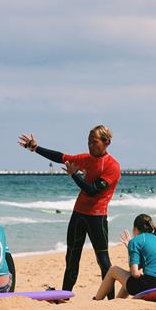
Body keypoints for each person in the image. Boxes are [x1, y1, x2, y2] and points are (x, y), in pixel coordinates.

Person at [19, 125, 121, 298]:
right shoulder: (86, 158)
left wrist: (74, 175)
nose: (90, 145)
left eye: (94, 142)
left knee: (103, 260)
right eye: (88, 141)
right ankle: (64, 294)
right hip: (78, 214)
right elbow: (61, 157)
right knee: (71, 257)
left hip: (97, 217)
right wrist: (35, 148)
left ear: (106, 142)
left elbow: (92, 190)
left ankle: (110, 300)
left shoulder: (112, 166)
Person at [93, 214, 156, 300]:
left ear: (135, 229)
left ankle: (97, 299)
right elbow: (146, 265)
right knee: (129, 278)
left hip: (150, 285)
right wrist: (130, 249)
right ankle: (118, 301)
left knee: (113, 270)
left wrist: (131, 246)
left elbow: (135, 273)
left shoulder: (135, 241)